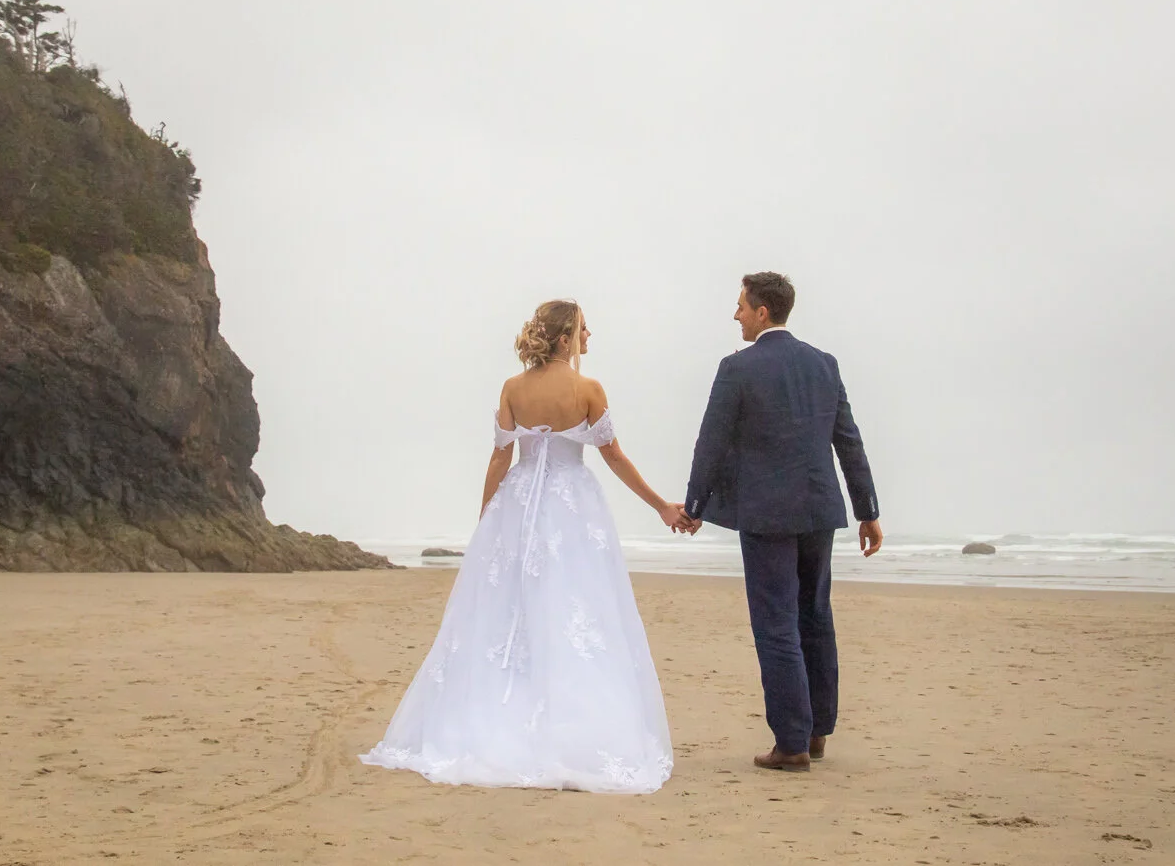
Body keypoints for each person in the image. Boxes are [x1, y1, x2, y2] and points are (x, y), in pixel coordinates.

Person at [360, 300, 681, 792]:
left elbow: (500, 458)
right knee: (573, 605)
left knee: (512, 606)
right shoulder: (588, 389)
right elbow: (613, 457)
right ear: (564, 338)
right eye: (583, 329)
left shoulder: (513, 388)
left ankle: (505, 710)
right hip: (572, 505)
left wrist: (486, 520)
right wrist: (661, 506)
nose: (588, 337)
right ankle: (569, 722)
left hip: (519, 502)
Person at [679, 271, 881, 772]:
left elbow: (711, 441)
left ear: (762, 311)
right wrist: (868, 510)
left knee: (776, 625)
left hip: (766, 513)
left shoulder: (737, 368)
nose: (736, 315)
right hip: (818, 509)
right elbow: (848, 440)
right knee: (815, 617)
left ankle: (791, 745)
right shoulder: (823, 364)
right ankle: (816, 733)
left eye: (741, 306)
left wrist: (694, 506)